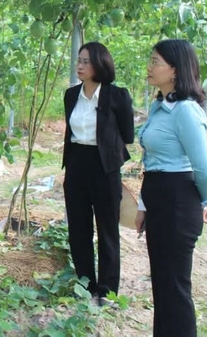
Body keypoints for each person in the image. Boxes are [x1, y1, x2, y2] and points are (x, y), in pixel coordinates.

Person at [135, 39, 207, 337]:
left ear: (175, 70)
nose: (149, 67)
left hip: (178, 200)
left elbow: (204, 168)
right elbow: (152, 160)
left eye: (155, 61)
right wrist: (144, 206)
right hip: (158, 196)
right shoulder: (160, 106)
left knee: (175, 288)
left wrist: (204, 200)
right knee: (163, 285)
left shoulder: (185, 111)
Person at [62, 42, 134, 306]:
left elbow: (127, 135)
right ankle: (85, 283)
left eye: (85, 62)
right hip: (76, 163)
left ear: (100, 65)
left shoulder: (117, 96)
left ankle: (106, 289)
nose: (79, 66)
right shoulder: (71, 96)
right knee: (78, 228)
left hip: (105, 165)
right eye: (78, 61)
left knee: (107, 229)